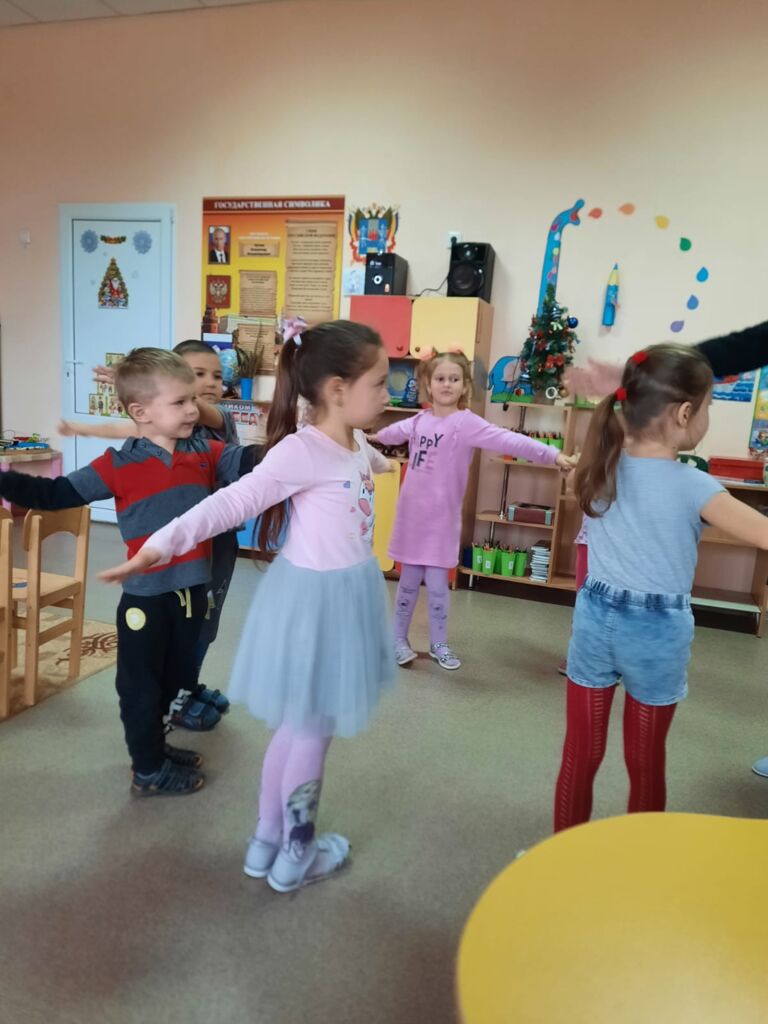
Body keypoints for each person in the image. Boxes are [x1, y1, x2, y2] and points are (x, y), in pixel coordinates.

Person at [98, 320, 396, 893]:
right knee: (313, 731)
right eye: (380, 383)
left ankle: (267, 840)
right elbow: (230, 504)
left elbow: (367, 462)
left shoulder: (353, 441)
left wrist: (388, 459)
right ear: (337, 389)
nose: (388, 394)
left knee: (297, 726)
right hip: (319, 608)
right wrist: (158, 545)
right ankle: (297, 854)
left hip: (344, 594)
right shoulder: (301, 451)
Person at [1, 348, 259, 796]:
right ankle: (147, 768)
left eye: (192, 400)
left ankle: (155, 746)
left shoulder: (205, 452)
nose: (193, 409)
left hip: (192, 594)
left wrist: (303, 445)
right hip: (146, 600)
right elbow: (54, 494)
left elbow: (252, 461)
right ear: (141, 412)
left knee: (176, 679)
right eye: (180, 402)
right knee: (141, 686)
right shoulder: (117, 465)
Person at [554, 343, 768, 831]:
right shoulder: (695, 485)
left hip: (594, 623)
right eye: (708, 408)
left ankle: (561, 856)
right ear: (684, 414)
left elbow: (575, 487)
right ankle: (641, 860)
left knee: (579, 754)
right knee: (646, 762)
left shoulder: (600, 467)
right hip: (656, 635)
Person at [60, 339, 241, 732]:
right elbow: (122, 425)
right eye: (195, 375)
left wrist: (174, 392)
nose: (209, 383)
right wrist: (86, 423)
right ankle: (177, 696)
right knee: (171, 627)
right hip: (166, 555)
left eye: (215, 375)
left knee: (203, 622)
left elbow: (205, 411)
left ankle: (186, 685)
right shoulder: (159, 428)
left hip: (214, 545)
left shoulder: (215, 420)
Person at [370, 351, 574, 670]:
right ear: (428, 384)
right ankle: (398, 640)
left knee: (438, 587)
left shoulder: (467, 424)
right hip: (412, 519)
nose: (446, 384)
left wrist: (552, 454)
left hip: (441, 523)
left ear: (465, 386)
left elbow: (510, 440)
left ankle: (438, 644)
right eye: (440, 378)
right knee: (407, 583)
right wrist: (369, 438)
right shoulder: (419, 420)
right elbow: (391, 433)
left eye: (454, 379)